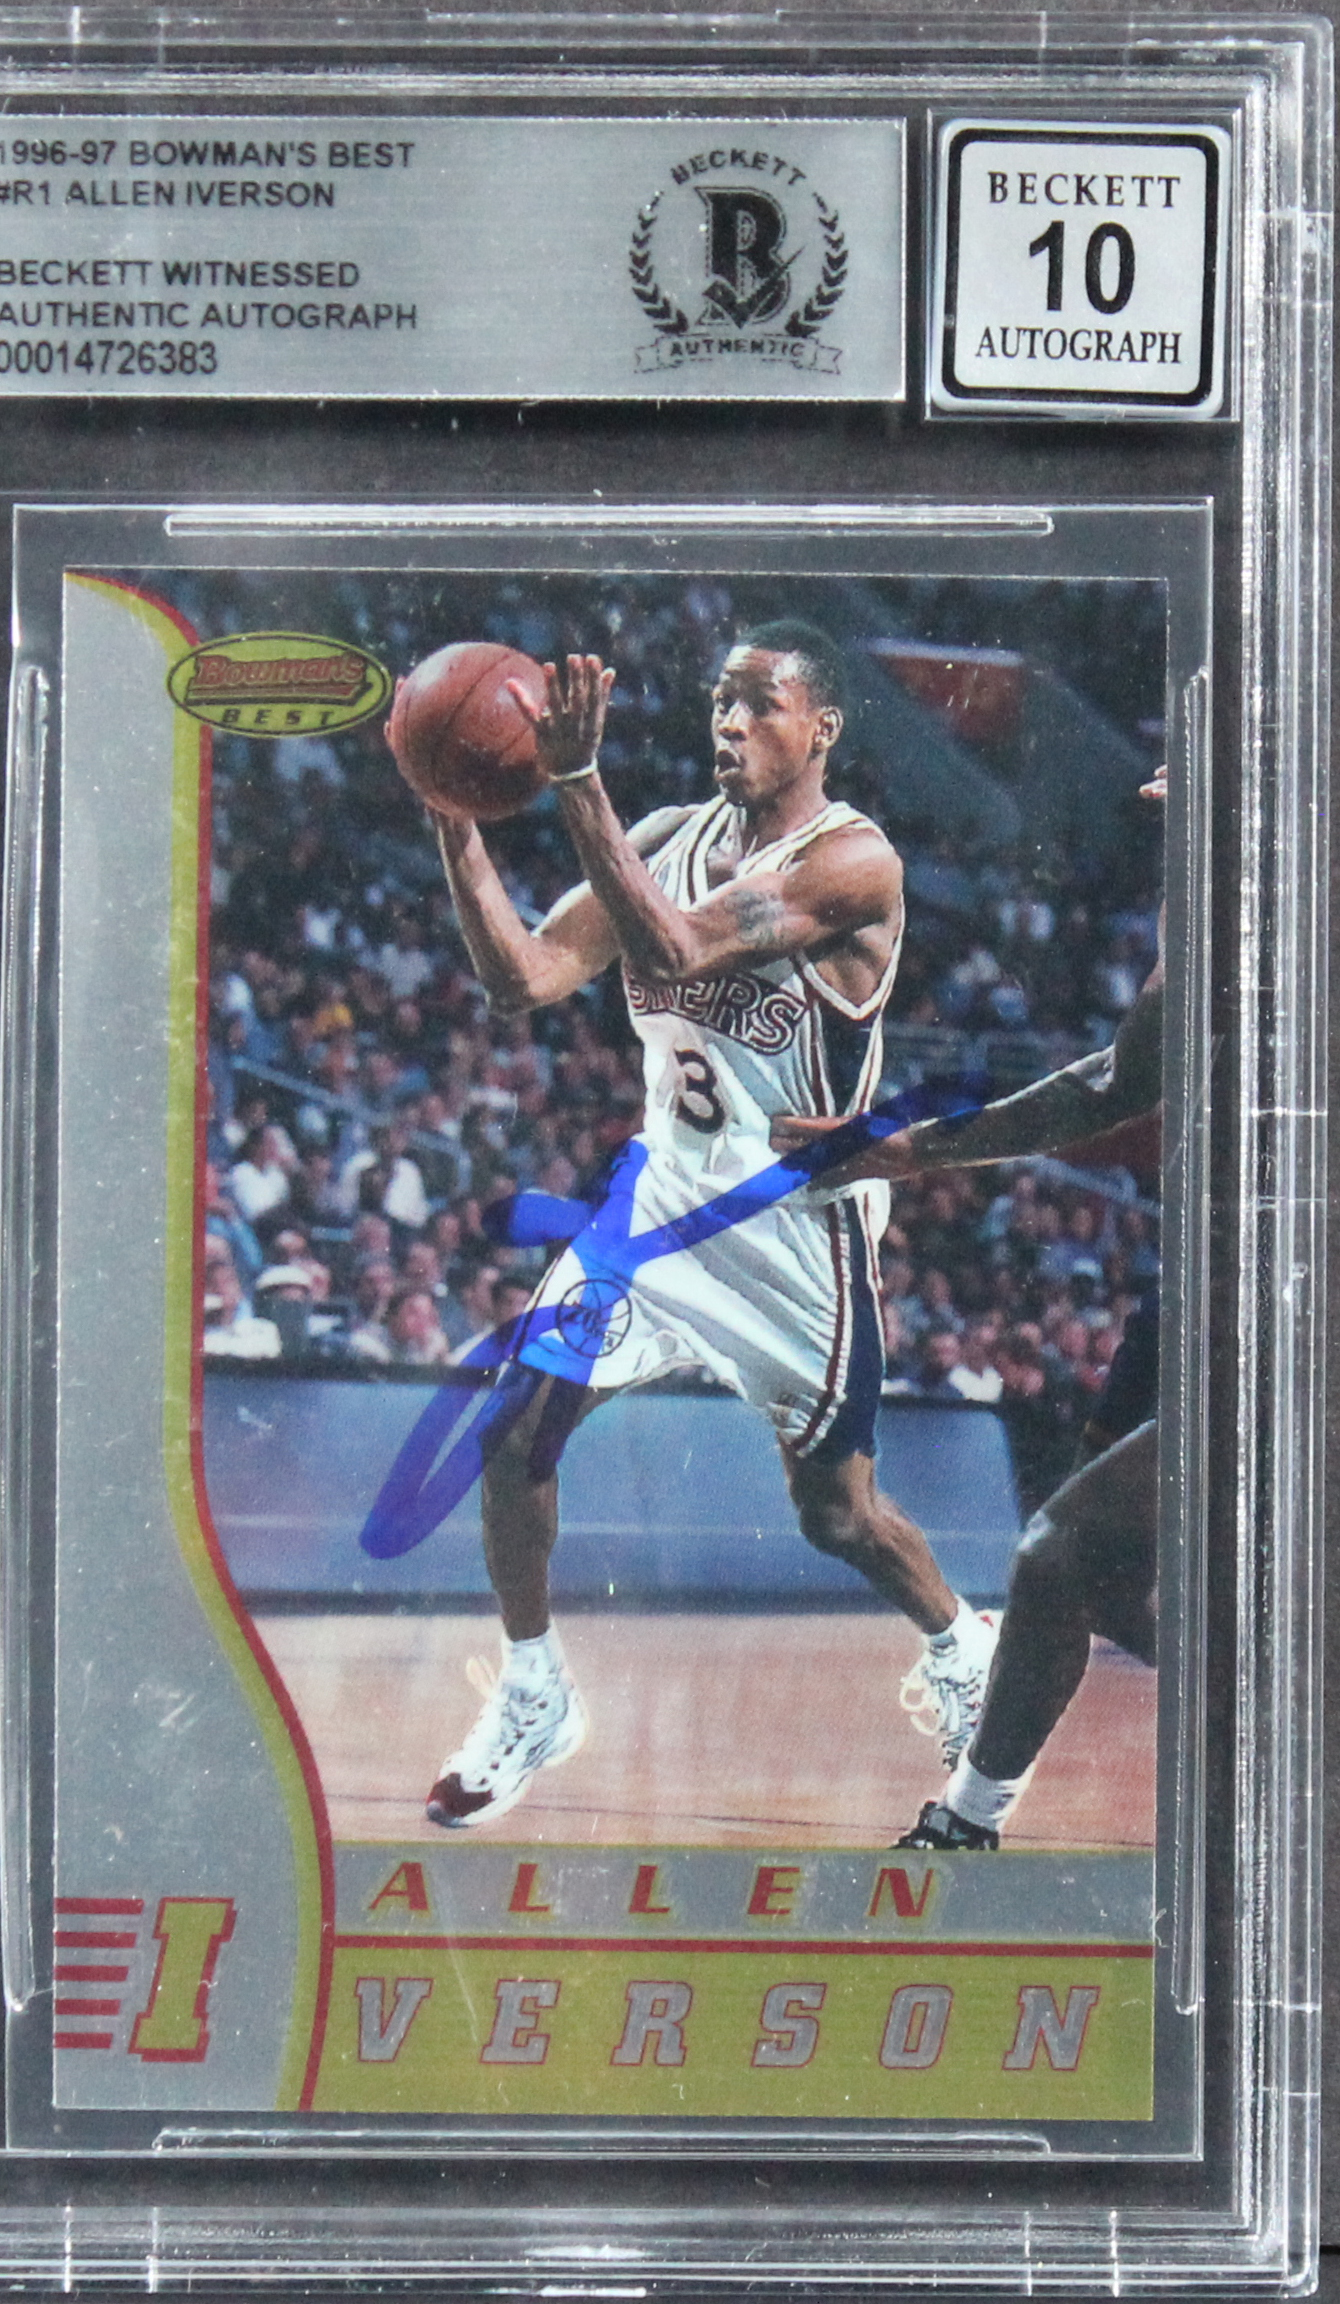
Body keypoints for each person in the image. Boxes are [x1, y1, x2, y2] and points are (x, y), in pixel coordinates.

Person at [411, 623, 997, 1829]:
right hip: (659, 1208)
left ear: (821, 727)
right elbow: (523, 977)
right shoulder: (666, 839)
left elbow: (676, 948)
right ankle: (533, 1689)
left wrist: (578, 780)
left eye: (758, 703)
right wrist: (451, 815)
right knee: (512, 1428)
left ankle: (959, 1645)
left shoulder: (857, 863)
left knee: (839, 1519)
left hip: (793, 1234)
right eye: (719, 702)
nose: (729, 722)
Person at [780, 770, 1166, 1850]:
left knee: (1054, 1556)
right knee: (1102, 1585)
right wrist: (911, 1147)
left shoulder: (1283, 923)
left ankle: (967, 1823)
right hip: (1192, 1287)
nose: (1158, 786)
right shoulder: (1210, 913)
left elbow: (1111, 1089)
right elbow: (1111, 1080)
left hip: (1285, 1301)